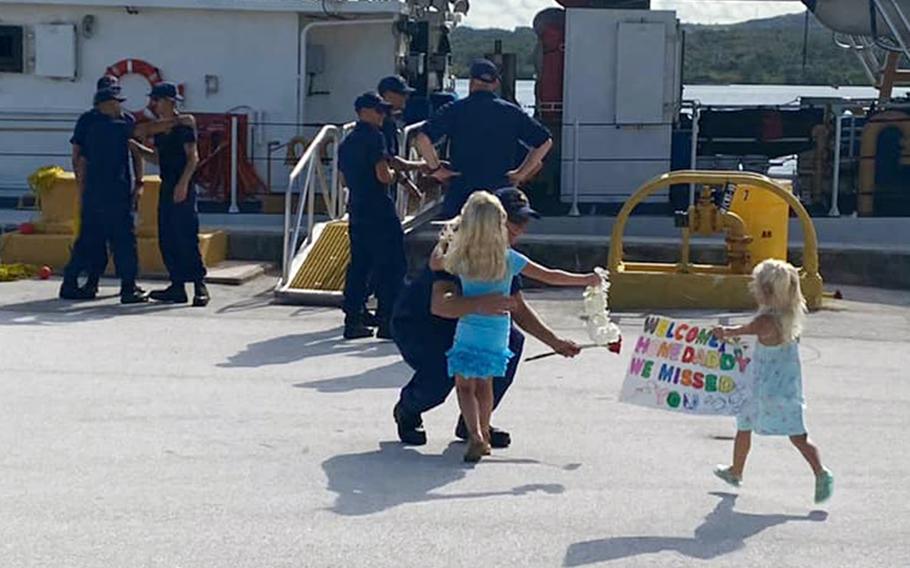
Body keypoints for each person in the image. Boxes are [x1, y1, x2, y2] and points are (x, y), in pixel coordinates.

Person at [391, 187, 582, 448]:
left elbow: (516, 307)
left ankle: (476, 424)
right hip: (423, 325)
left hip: (468, 323)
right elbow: (441, 306)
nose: (520, 229)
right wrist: (481, 303)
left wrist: (555, 342)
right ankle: (408, 409)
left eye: (523, 221)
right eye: (513, 221)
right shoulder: (455, 250)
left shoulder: (501, 256)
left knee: (509, 344)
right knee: (442, 377)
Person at [435, 191, 600, 462]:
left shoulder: (461, 257)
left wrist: (454, 229)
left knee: (464, 386)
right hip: (497, 331)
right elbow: (550, 276)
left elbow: (436, 261)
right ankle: (484, 432)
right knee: (485, 385)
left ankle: (475, 434)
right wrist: (585, 279)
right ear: (501, 223)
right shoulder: (509, 258)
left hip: (468, 328)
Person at [712, 259, 834, 504]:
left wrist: (725, 333)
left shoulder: (764, 321)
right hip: (784, 388)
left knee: (747, 428)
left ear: (766, 291)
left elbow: (741, 330)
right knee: (796, 435)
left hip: (763, 390)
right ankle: (819, 473)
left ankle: (738, 471)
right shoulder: (788, 317)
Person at [60, 84, 196, 303]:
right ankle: (117, 287)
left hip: (114, 189)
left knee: (104, 239)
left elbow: (133, 153)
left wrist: (139, 182)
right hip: (104, 190)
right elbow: (80, 157)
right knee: (110, 240)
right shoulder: (108, 124)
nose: (118, 106)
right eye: (115, 102)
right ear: (103, 104)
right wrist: (181, 121)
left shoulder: (116, 120)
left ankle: (102, 285)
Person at [415, 58, 553, 219]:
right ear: (495, 84)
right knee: (495, 239)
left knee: (457, 240)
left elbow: (422, 138)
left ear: (471, 81)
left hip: (462, 191)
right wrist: (521, 173)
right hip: (499, 193)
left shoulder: (454, 110)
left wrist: (436, 169)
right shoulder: (511, 112)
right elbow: (545, 141)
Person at [130, 82, 209, 307]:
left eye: (157, 100)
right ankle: (177, 285)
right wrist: (140, 150)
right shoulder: (162, 129)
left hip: (182, 186)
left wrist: (183, 184)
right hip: (167, 186)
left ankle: (199, 285)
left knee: (186, 235)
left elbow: (193, 157)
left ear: (169, 102)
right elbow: (159, 158)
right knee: (168, 237)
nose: (153, 104)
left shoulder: (184, 125)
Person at [337, 92, 407, 340]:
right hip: (379, 208)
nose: (382, 116)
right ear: (363, 111)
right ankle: (388, 322)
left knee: (359, 265)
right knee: (391, 265)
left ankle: (352, 320)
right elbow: (383, 175)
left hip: (357, 208)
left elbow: (344, 180)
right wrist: (396, 176)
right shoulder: (374, 137)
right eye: (378, 111)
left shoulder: (346, 143)